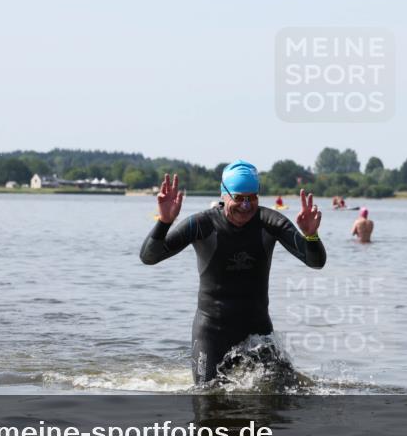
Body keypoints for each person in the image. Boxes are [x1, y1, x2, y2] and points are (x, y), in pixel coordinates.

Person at [139, 160, 326, 383]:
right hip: (212, 332)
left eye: (252, 198)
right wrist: (164, 221)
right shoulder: (201, 224)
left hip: (257, 332)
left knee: (284, 394)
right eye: (239, 198)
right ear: (224, 194)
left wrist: (311, 236)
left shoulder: (270, 222)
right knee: (207, 398)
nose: (246, 206)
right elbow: (150, 257)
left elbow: (316, 262)